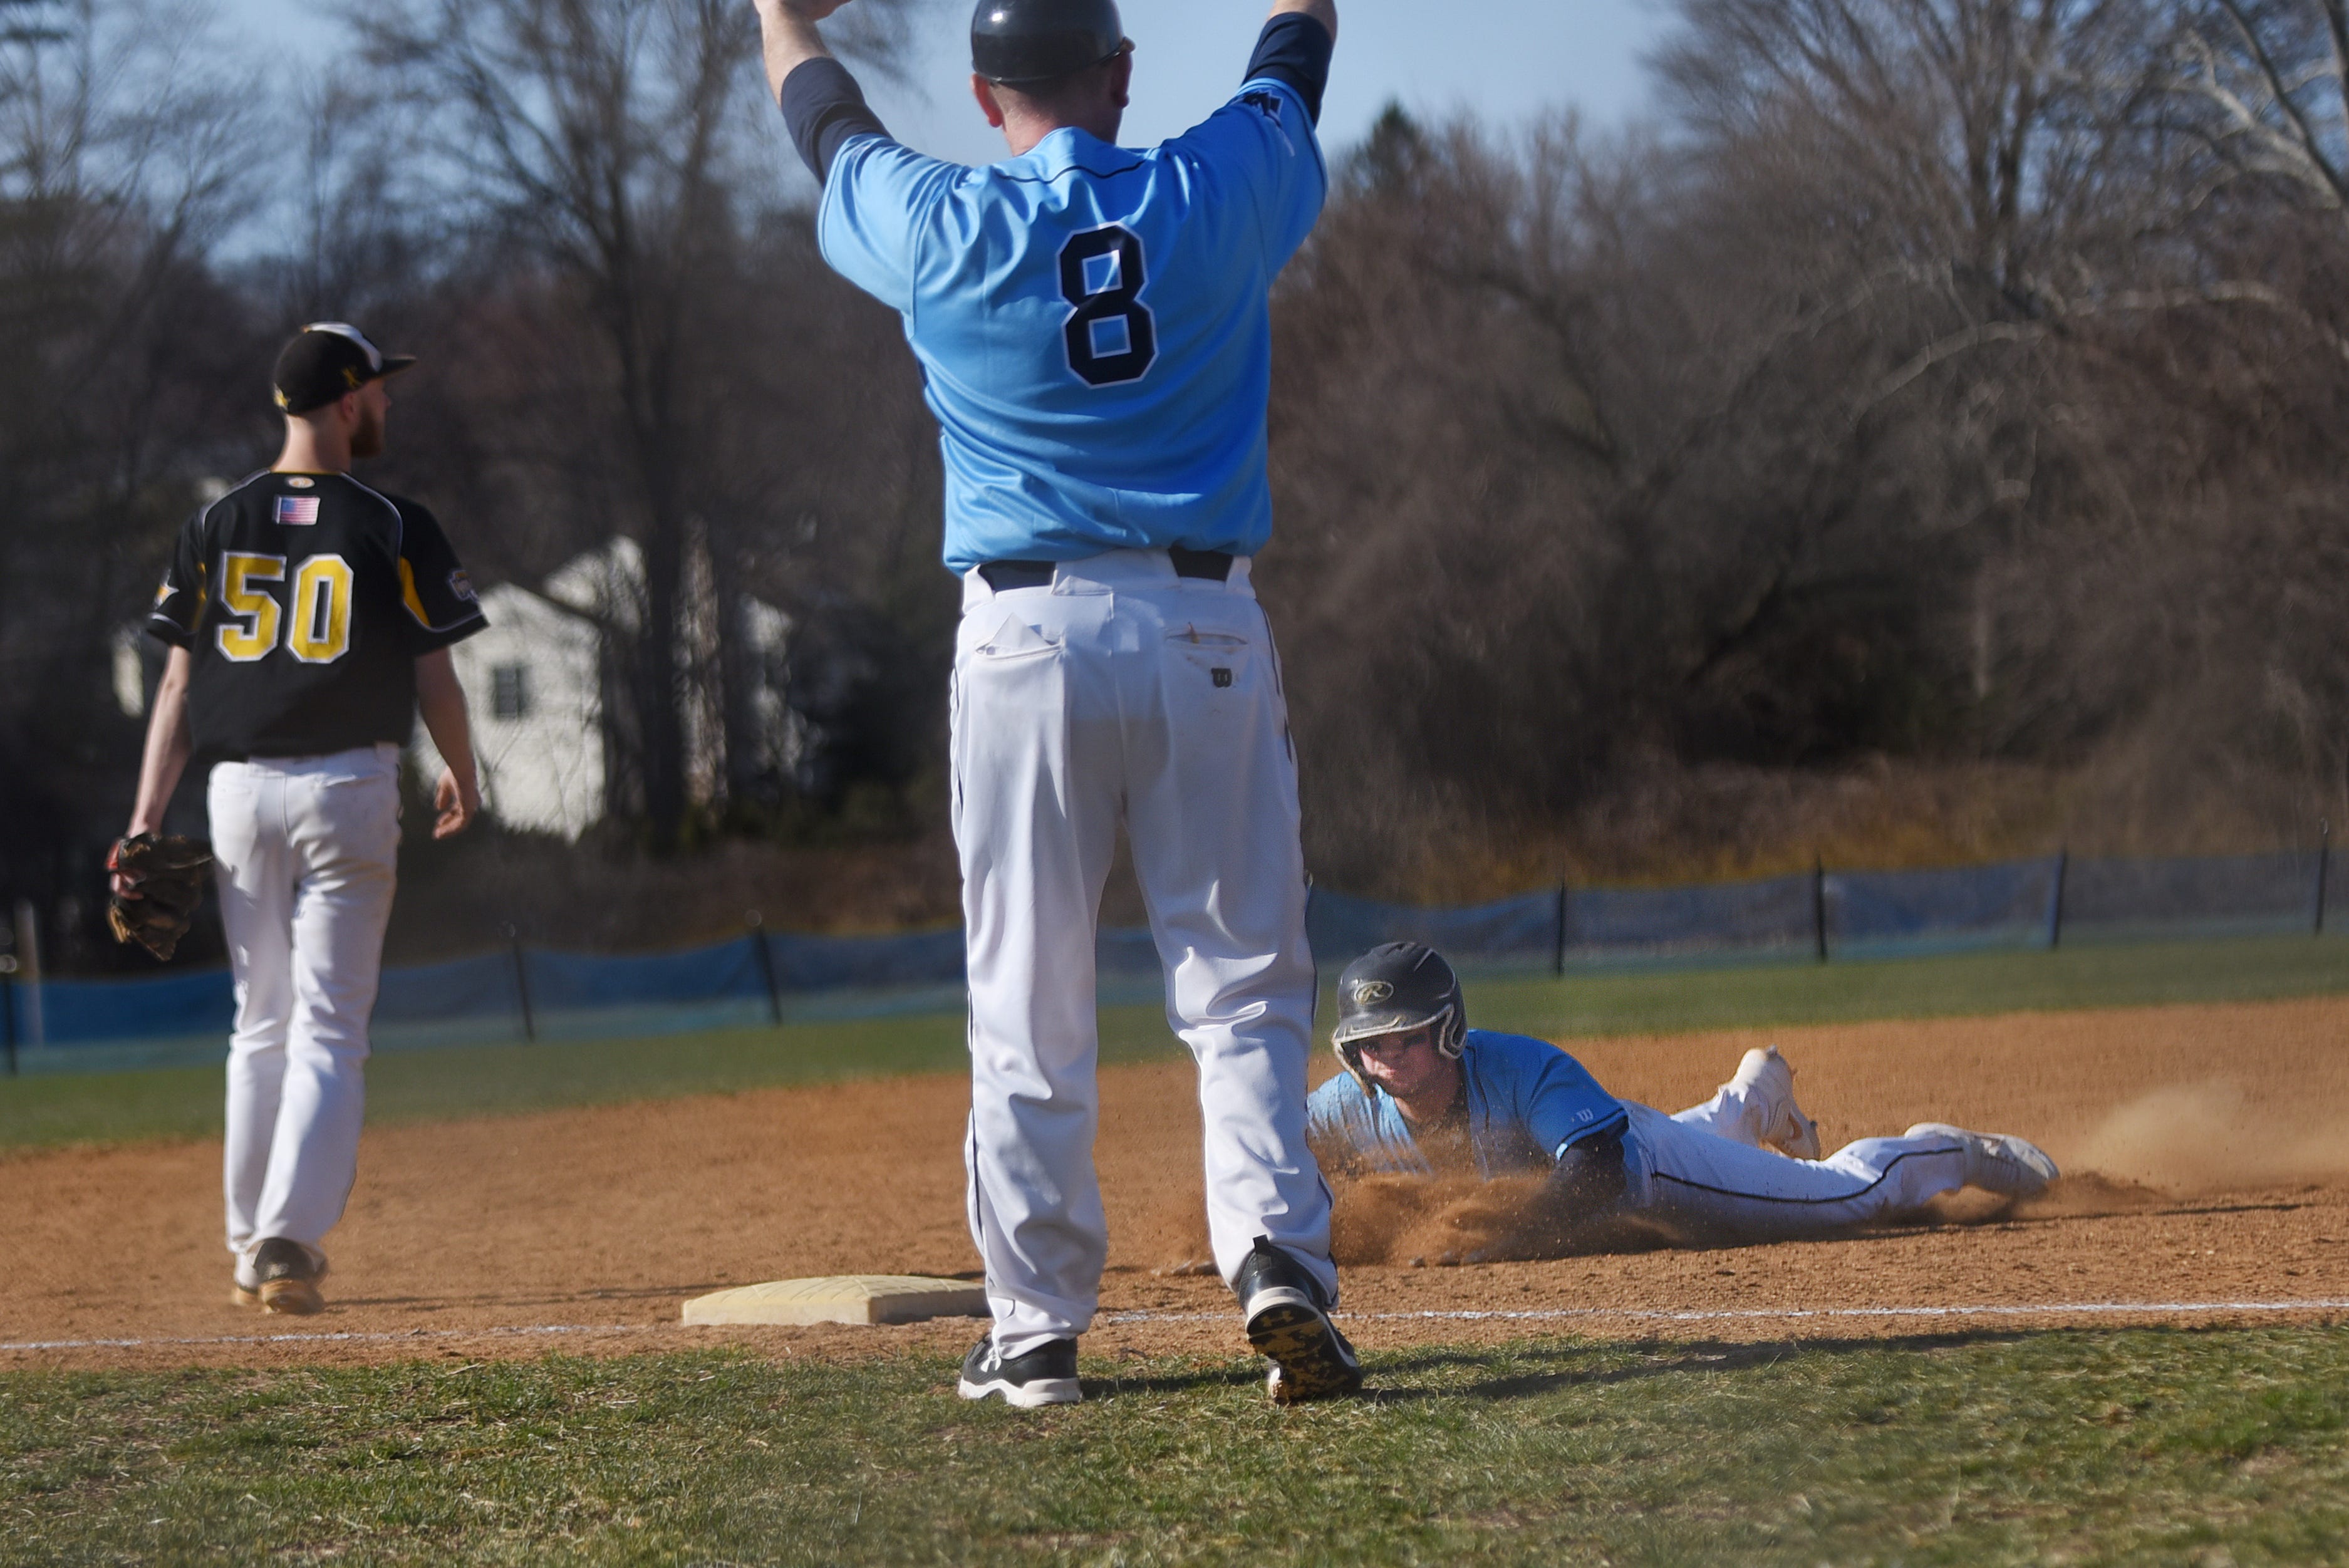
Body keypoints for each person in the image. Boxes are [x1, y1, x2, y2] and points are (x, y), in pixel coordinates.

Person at [750, 0, 1355, 1405]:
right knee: (1244, 988)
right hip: (1204, 620)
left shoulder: (940, 220)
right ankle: (1272, 1259)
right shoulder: (1209, 187)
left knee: (1027, 995)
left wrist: (782, 13)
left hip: (1024, 635)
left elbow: (825, 126)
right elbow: (1294, 65)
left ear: (981, 93)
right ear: (1122, 77)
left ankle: (1034, 1335)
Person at [121, 323, 487, 1314]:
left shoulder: (216, 521)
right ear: (345, 399)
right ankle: (286, 1238)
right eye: (379, 389)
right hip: (346, 791)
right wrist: (464, 770)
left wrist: (144, 819)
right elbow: (437, 676)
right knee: (328, 1026)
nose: (389, 404)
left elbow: (178, 688)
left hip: (236, 793)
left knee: (260, 1022)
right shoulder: (391, 522)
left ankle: (250, 1242)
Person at [1309, 944, 2060, 1257]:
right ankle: (1753, 1097)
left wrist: (1505, 1235)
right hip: (1630, 1140)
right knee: (1705, 1134)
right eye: (1370, 1044)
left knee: (1841, 1201)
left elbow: (1598, 1172)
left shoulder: (1523, 1068)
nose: (1387, 1058)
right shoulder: (1347, 1104)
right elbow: (1275, 1157)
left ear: (1447, 1031)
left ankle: (1943, 1148)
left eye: (1405, 1038)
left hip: (1646, 1166)